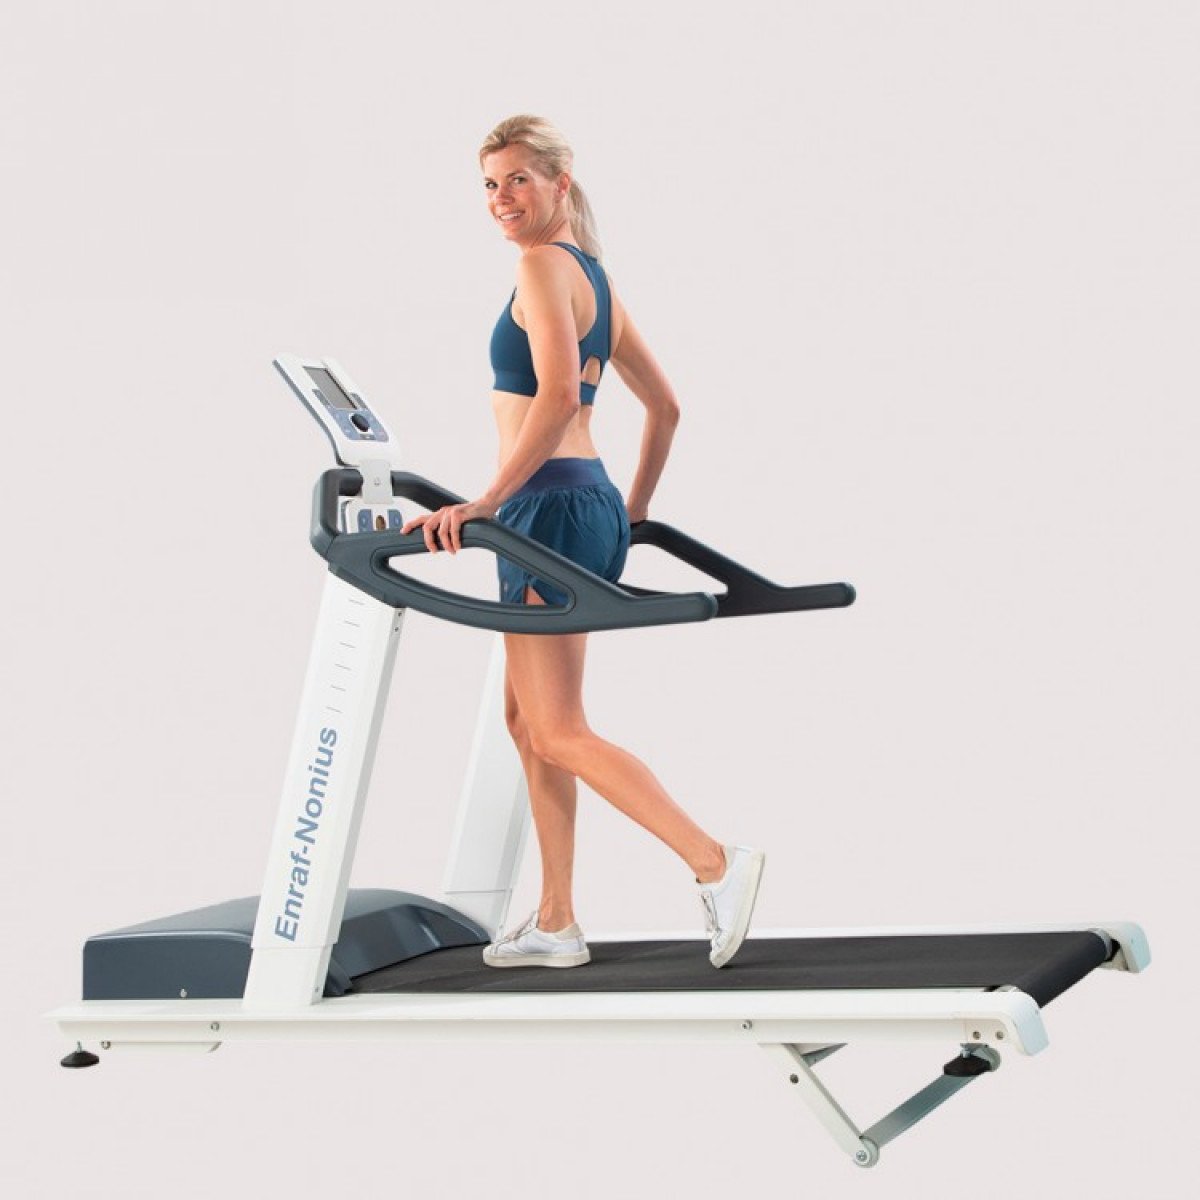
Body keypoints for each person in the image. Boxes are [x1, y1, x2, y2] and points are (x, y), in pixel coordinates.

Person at [401, 115, 763, 969]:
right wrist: (629, 512)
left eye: (518, 180)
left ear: (560, 183)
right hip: (581, 504)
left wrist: (487, 500)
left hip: (545, 510)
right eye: (490, 185)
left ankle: (716, 861)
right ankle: (558, 920)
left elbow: (559, 397)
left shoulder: (539, 267)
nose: (501, 199)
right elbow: (665, 408)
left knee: (557, 727)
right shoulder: (593, 279)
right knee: (525, 720)